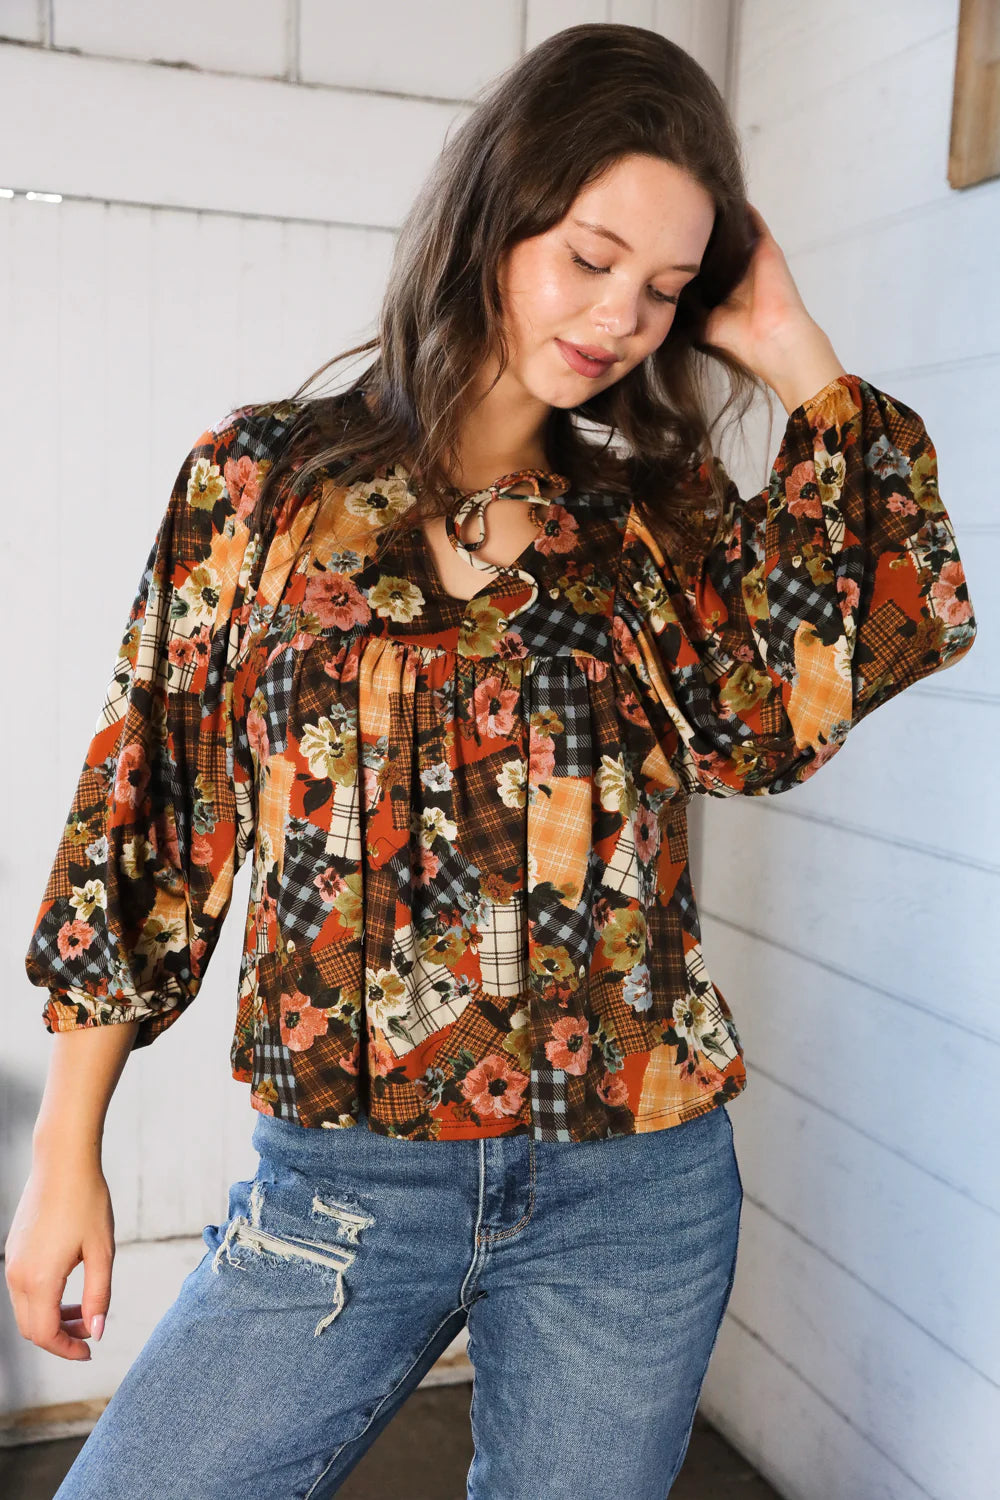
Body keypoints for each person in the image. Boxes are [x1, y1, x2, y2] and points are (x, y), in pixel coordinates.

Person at [5, 22, 977, 1500]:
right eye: (589, 257)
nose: (618, 318)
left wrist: (790, 346)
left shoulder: (654, 517)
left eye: (662, 289)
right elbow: (150, 807)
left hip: (635, 1193)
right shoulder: (260, 486)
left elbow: (800, 700)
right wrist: (66, 1147)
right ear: (494, 216)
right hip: (339, 1186)